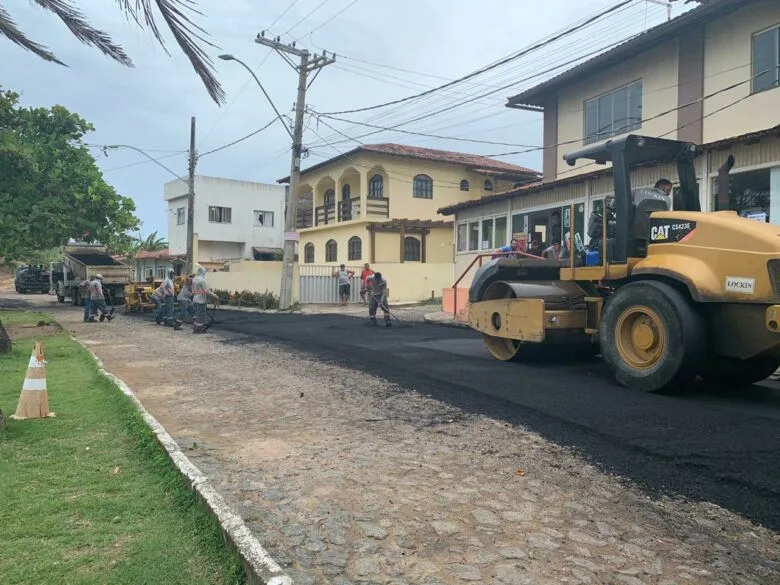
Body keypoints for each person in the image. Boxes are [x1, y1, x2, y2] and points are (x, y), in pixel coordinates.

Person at [192, 266, 217, 333]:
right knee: (201, 315)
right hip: (201, 300)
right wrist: (215, 296)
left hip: (195, 299)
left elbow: (193, 290)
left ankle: (195, 328)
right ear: (203, 272)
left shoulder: (194, 279)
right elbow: (207, 291)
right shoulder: (202, 280)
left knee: (197, 314)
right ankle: (199, 329)